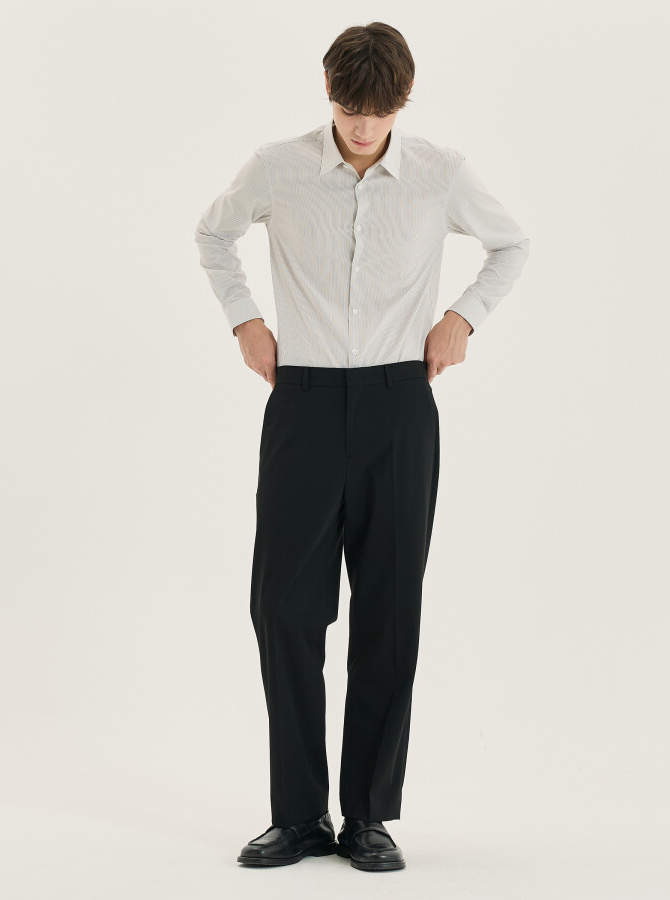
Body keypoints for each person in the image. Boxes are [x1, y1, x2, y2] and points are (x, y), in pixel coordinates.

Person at [193, 22, 530, 872]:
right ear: (329, 93)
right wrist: (245, 320)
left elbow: (511, 244)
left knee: (389, 610)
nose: (363, 127)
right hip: (302, 404)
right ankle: (299, 814)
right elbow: (212, 233)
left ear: (402, 103)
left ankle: (370, 815)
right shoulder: (277, 167)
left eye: (379, 113)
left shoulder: (439, 174)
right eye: (350, 109)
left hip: (397, 405)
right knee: (283, 609)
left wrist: (462, 318)